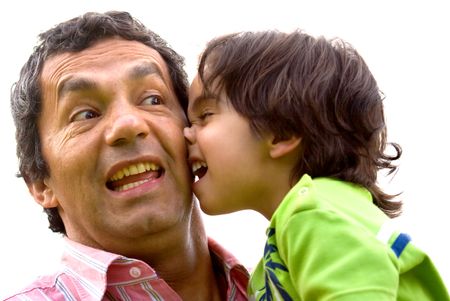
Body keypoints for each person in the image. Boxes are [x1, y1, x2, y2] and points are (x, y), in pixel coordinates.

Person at [183, 30, 450, 300]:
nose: (186, 133)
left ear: (281, 132)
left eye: (205, 116)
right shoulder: (284, 247)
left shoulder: (315, 213)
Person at [5, 11, 249, 301]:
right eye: (85, 114)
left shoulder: (293, 285)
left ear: (193, 132)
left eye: (152, 100)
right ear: (40, 183)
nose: (128, 124)